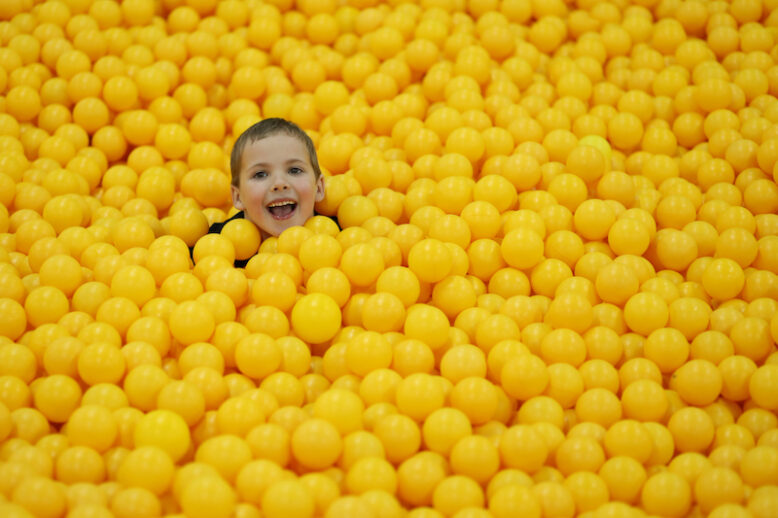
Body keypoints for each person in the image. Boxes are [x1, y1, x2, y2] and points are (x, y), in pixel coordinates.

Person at [205, 118, 330, 267]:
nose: (279, 184)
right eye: (261, 174)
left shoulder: (335, 238)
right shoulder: (217, 247)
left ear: (319, 188)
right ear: (238, 197)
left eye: (294, 170)